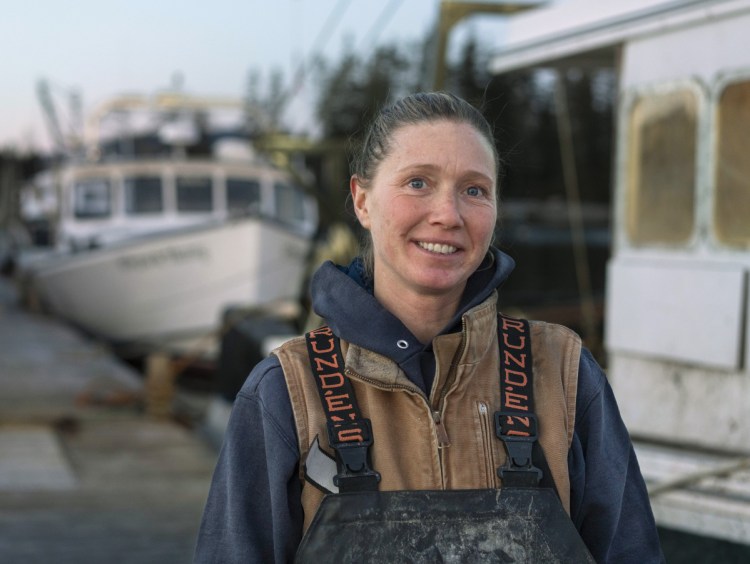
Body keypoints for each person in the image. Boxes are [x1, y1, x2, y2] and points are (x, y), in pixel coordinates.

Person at [194, 92, 664, 563]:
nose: (448, 215)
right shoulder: (284, 394)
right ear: (361, 200)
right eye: (418, 182)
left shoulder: (563, 374)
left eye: (474, 190)